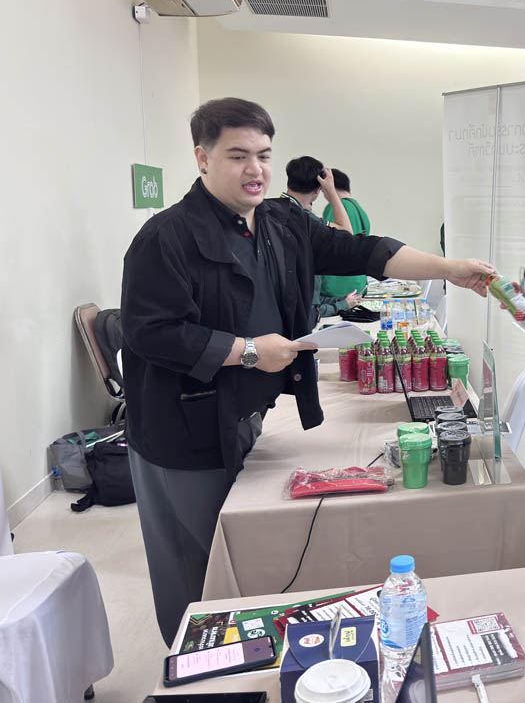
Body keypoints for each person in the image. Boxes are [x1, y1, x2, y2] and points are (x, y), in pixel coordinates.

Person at [121, 97, 494, 645]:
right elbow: (150, 332)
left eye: (264, 155)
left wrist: (449, 268)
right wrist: (248, 350)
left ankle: (252, 648)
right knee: (196, 565)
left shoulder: (279, 221)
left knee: (245, 551)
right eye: (238, 156)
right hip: (181, 429)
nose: (255, 169)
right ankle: (196, 666)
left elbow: (363, 251)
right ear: (202, 158)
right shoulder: (166, 237)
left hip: (244, 413)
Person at [280, 157, 359, 326]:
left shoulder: (273, 209)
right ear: (318, 189)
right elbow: (346, 233)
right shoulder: (305, 218)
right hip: (301, 313)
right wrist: (331, 191)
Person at [319, 168, 371, 313]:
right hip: (359, 282)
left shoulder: (336, 208)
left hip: (337, 285)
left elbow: (325, 242)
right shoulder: (359, 209)